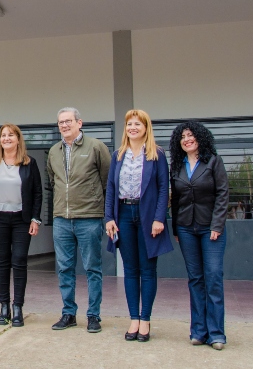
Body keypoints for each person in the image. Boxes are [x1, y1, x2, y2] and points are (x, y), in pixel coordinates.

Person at [105, 110, 173, 342]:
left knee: (148, 269)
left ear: (146, 128)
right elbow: (111, 188)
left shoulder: (157, 154)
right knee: (130, 270)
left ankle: (145, 320)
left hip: (148, 216)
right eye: (129, 124)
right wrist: (109, 218)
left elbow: (163, 188)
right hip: (123, 214)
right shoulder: (118, 155)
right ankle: (134, 318)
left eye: (137, 124)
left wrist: (159, 218)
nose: (132, 127)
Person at [46, 107, 111, 332]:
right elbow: (53, 181)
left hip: (89, 218)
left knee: (93, 268)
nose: (64, 125)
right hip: (61, 219)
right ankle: (68, 313)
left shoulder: (96, 147)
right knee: (64, 268)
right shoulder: (54, 151)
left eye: (68, 121)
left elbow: (107, 181)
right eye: (60, 122)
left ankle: (93, 316)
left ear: (79, 123)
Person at [169, 121, 230, 350]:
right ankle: (198, 331)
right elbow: (176, 200)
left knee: (213, 277)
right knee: (195, 279)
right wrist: (176, 229)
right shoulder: (177, 166)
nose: (187, 139)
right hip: (186, 228)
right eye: (183, 136)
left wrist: (217, 224)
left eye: (190, 135)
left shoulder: (213, 161)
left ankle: (216, 334)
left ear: (200, 138)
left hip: (210, 228)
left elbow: (223, 193)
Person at [0, 123, 43, 327]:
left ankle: (18, 307)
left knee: (20, 260)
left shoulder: (29, 163)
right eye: (3, 135)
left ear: (18, 139)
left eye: (10, 135)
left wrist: (35, 219)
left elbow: (38, 192)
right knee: (2, 262)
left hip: (22, 219)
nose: (6, 138)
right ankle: (4, 306)